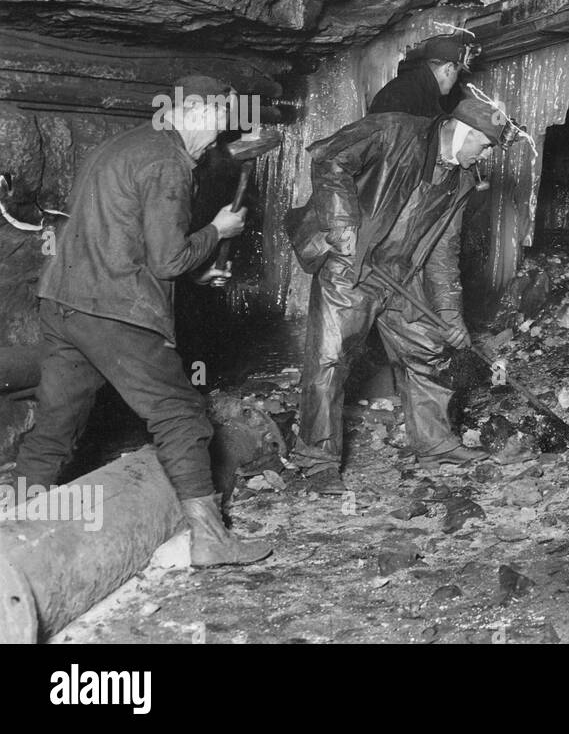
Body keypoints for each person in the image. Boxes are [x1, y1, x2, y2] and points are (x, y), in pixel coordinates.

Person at [13, 75, 271, 567]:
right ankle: (210, 539)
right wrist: (218, 230)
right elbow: (167, 261)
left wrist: (197, 271)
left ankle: (15, 538)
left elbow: (120, 240)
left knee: (55, 426)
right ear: (194, 109)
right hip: (115, 312)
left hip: (64, 302)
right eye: (220, 116)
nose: (221, 131)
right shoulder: (167, 162)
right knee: (182, 416)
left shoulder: (124, 146)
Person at [291, 97, 510, 493]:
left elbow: (444, 250)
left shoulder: (459, 180)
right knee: (330, 358)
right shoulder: (394, 130)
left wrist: (450, 314)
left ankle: (436, 443)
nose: (487, 152)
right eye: (486, 143)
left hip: (401, 273)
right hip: (352, 265)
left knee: (430, 347)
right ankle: (316, 460)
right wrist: (343, 229)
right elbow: (329, 158)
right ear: (463, 130)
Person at [367, 30, 478, 117]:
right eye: (457, 73)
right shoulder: (405, 94)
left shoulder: (419, 88)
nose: (456, 79)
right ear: (448, 69)